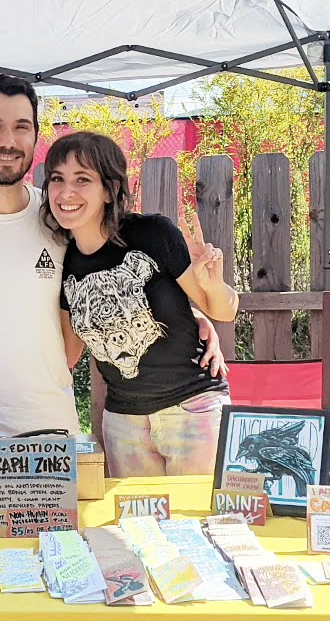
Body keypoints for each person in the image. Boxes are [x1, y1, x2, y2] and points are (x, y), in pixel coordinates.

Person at [0, 73, 225, 482]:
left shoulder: (61, 220)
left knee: (53, 548)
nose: (7, 140)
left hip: (49, 432)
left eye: (21, 127)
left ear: (35, 138)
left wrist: (194, 321)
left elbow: (117, 281)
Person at [42, 131, 239, 479]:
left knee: (202, 525)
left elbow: (223, 311)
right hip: (124, 424)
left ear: (110, 190)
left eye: (82, 179)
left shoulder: (152, 234)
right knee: (135, 531)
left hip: (193, 409)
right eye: (57, 179)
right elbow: (68, 355)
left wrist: (212, 285)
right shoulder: (62, 260)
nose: (66, 192)